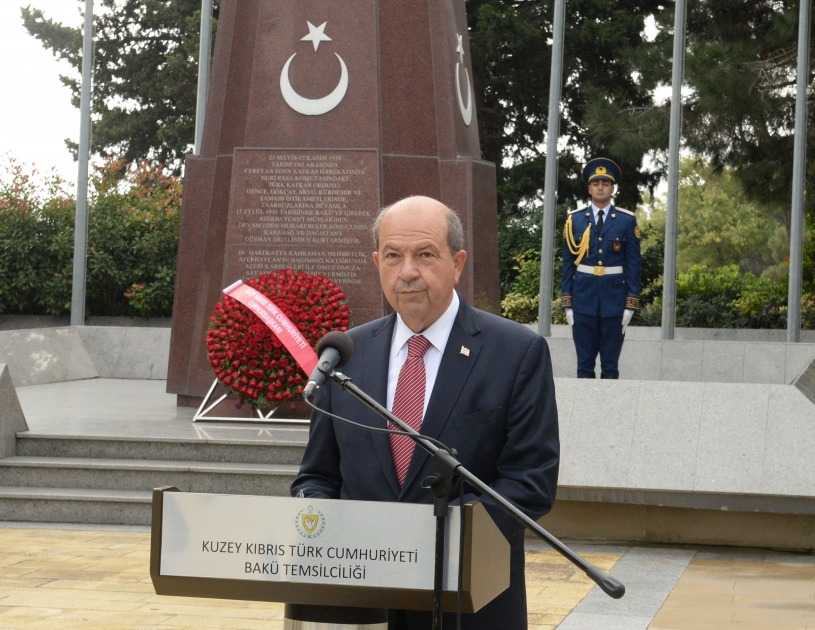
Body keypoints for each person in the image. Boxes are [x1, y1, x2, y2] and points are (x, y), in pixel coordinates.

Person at [291, 196, 560, 630]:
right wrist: (325, 524)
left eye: (425, 255)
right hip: (361, 604)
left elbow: (530, 483)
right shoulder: (345, 356)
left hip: (468, 601)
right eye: (393, 256)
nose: (408, 271)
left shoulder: (515, 352)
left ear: (457, 263)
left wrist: (428, 543)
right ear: (377, 262)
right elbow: (316, 477)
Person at [561, 158, 641, 379]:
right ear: (589, 188)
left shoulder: (626, 221)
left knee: (610, 366)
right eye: (596, 183)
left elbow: (634, 265)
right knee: (584, 366)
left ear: (612, 188)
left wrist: (631, 304)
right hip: (583, 299)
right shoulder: (574, 220)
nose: (600, 187)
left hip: (615, 301)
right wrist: (567, 303)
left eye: (605, 183)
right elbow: (568, 264)